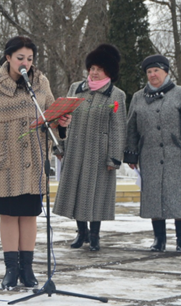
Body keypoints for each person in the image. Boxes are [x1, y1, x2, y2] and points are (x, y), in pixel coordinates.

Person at [0, 36, 70, 289]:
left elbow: (51, 113)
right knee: (8, 214)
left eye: (30, 58)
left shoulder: (40, 82)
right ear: (8, 58)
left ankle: (27, 269)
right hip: (5, 158)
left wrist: (62, 122)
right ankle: (10, 269)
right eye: (20, 58)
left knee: (29, 214)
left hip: (34, 159)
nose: (25, 63)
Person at [124, 54, 181, 253]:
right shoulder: (138, 97)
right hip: (149, 155)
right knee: (153, 199)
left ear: (166, 72)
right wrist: (131, 154)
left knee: (179, 199)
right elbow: (131, 127)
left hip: (177, 155)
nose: (152, 75)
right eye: (149, 72)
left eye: (156, 71)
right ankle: (159, 240)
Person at [53, 44, 127, 251]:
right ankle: (81, 232)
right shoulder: (76, 89)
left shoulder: (116, 95)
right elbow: (62, 118)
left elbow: (119, 127)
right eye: (91, 68)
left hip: (99, 153)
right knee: (76, 191)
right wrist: (59, 147)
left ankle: (95, 234)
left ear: (108, 72)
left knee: (96, 194)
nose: (93, 73)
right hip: (75, 148)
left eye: (99, 69)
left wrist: (114, 157)